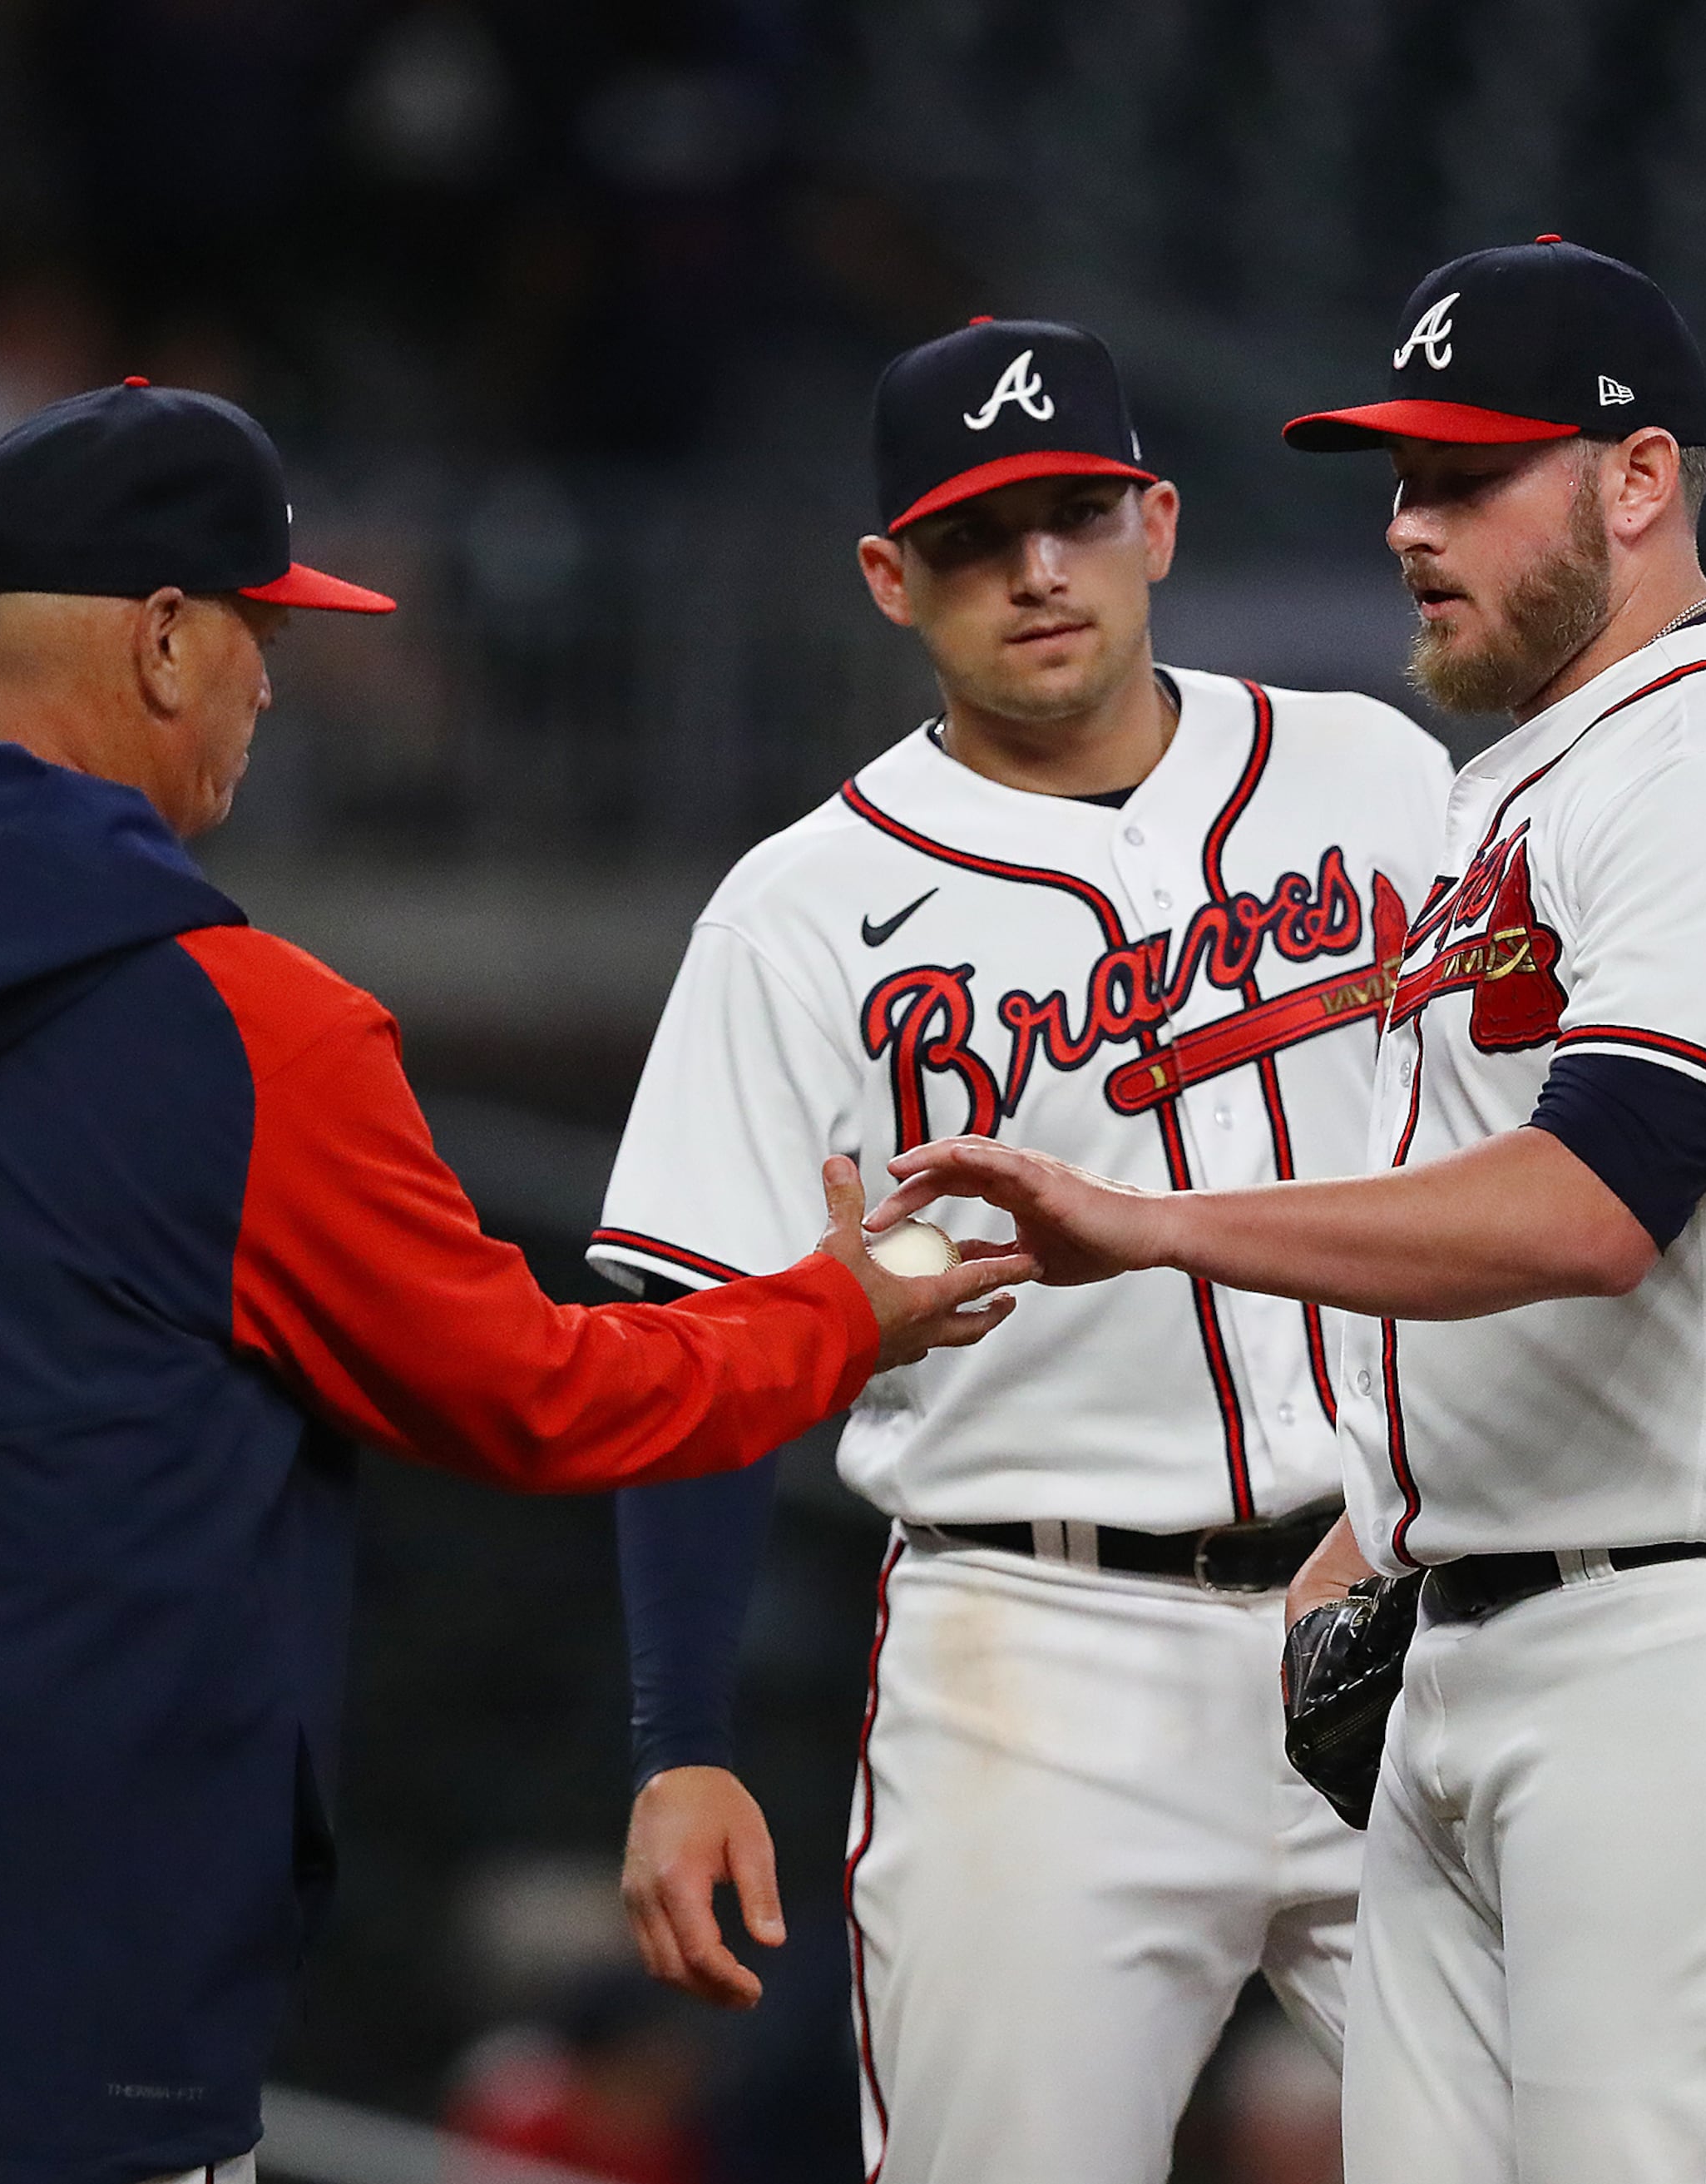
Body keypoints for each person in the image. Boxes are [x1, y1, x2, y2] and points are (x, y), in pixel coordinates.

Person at [0, 379, 1026, 2184]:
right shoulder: (253, 1029)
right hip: (48, 2007)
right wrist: (843, 1304)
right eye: (264, 629)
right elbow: (552, 1396)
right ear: (171, 640)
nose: (278, 681)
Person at [875, 239, 1706, 2184]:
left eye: (1469, 477)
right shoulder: (1529, 778)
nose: (1408, 524)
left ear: (1635, 480)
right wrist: (1380, 1520)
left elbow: (1588, 1207)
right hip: (1491, 1634)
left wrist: (1145, 1224)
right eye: (1400, 478)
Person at [592, 316, 1450, 2182]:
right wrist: (680, 1731)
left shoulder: (1375, 778)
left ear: (1156, 516)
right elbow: (683, 1324)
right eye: (982, 535)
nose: (1038, 570)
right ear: (895, 577)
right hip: (1039, 1647)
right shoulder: (804, 909)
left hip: (1409, 1598)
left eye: (1072, 512)